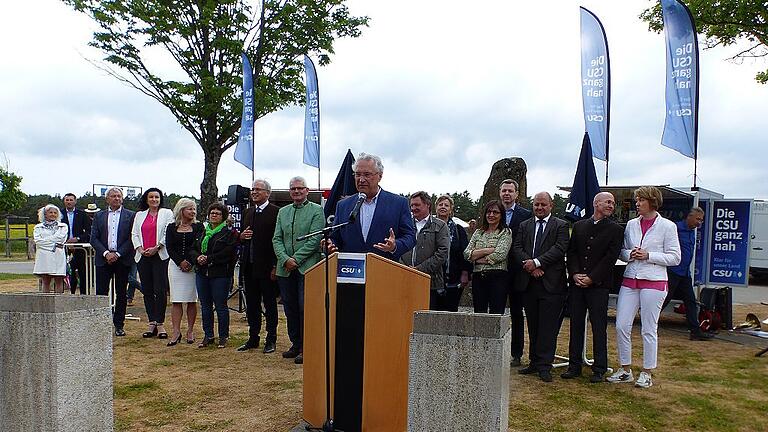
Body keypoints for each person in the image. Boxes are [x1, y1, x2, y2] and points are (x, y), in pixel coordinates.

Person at [608, 186, 681, 389]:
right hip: (630, 280)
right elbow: (621, 252)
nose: (637, 203)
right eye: (636, 200)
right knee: (622, 325)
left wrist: (649, 255)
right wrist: (630, 253)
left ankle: (647, 372)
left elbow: (675, 257)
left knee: (649, 329)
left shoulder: (667, 226)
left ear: (652, 201)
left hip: (655, 282)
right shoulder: (631, 224)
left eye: (640, 200)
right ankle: (625, 369)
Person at [562, 192, 624, 383]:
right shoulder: (580, 226)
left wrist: (592, 278)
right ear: (596, 204)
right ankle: (574, 366)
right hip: (577, 284)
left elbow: (610, 258)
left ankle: (599, 367)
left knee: (599, 327)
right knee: (576, 325)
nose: (611, 205)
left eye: (613, 203)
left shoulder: (615, 229)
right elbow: (571, 253)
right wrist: (574, 274)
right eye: (607, 202)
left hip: (599, 286)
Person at [513, 192, 569, 383]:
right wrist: (530, 266)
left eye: (543, 205)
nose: (539, 208)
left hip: (551, 283)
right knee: (533, 324)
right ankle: (534, 362)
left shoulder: (560, 225)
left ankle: (545, 365)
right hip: (529, 283)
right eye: (536, 204)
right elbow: (517, 248)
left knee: (548, 326)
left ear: (551, 205)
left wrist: (537, 263)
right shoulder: (524, 225)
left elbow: (560, 248)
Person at [272, 176, 325, 364]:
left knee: (305, 309)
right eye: (293, 189)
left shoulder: (317, 210)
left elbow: (314, 240)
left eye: (300, 188)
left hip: (307, 268)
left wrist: (296, 259)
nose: (296, 191)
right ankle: (295, 344)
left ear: (307, 190)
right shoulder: (283, 212)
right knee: (290, 308)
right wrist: (285, 259)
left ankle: (307, 347)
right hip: (285, 269)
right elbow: (276, 238)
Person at [326, 153, 415, 260]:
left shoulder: (398, 203)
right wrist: (330, 245)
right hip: (350, 269)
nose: (361, 179)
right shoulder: (343, 205)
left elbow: (410, 237)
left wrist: (394, 246)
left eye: (367, 175)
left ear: (380, 176)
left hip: (385, 268)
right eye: (357, 174)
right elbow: (336, 238)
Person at [236, 179, 280, 354]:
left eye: (258, 190)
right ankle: (253, 338)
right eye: (252, 189)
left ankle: (271, 339)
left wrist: (276, 266)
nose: (254, 192)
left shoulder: (276, 212)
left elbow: (279, 240)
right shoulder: (248, 212)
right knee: (252, 305)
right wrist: (241, 236)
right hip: (249, 266)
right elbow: (240, 238)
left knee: (270, 305)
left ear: (267, 193)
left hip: (267, 267)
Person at [90, 188, 136, 336]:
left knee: (121, 293)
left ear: (122, 198)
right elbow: (94, 238)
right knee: (101, 293)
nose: (116, 198)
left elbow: (131, 238)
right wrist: (106, 253)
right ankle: (101, 323)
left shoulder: (131, 215)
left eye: (119, 196)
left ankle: (119, 325)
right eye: (113, 196)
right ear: (107, 199)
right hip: (103, 260)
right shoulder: (99, 216)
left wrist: (117, 253)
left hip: (122, 259)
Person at [191, 203, 237, 348]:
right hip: (202, 273)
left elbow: (228, 253)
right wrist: (197, 257)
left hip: (220, 274)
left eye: (217, 213)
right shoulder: (202, 232)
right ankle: (208, 335)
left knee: (220, 305)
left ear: (223, 216)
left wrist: (209, 258)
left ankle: (223, 335)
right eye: (212, 213)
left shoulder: (228, 233)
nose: (214, 215)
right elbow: (193, 249)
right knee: (205, 306)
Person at [131, 188, 174, 340]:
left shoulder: (167, 213)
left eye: (156, 197)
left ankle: (161, 323)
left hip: (160, 255)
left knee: (160, 290)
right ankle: (152, 322)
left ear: (160, 199)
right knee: (147, 290)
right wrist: (141, 249)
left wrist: (157, 247)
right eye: (151, 197)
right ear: (146, 199)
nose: (154, 199)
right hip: (143, 256)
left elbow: (167, 233)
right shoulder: (139, 215)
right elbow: (134, 234)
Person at [664, 207, 713, 341]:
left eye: (701, 220)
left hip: (684, 273)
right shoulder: (675, 228)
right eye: (698, 219)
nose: (699, 223)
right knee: (664, 299)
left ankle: (695, 331)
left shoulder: (692, 231)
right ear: (689, 217)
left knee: (690, 301)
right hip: (673, 271)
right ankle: (649, 323)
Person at [500, 179, 532, 366]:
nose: (507, 194)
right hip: (498, 269)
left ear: (517, 194)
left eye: (510, 191)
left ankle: (516, 353)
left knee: (517, 313)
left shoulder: (526, 215)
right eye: (504, 190)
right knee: (495, 310)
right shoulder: (493, 211)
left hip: (518, 270)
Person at [400, 191, 450, 310]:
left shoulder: (440, 226)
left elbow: (442, 253)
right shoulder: (403, 225)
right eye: (411, 205)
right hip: (405, 280)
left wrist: (419, 269)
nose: (413, 208)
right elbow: (397, 248)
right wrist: (403, 268)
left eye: (417, 205)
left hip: (430, 283)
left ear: (427, 204)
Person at [165, 198, 204, 346]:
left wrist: (189, 261)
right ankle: (176, 331)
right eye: (189, 208)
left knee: (191, 300)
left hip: (192, 266)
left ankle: (190, 330)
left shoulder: (199, 227)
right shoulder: (171, 227)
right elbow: (170, 247)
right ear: (181, 210)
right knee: (176, 300)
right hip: (175, 266)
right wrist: (180, 261)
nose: (193, 211)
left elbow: (198, 245)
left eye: (194, 209)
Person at [464, 200, 512, 314]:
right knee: (479, 313)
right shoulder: (478, 232)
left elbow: (500, 254)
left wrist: (476, 256)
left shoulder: (505, 232)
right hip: (478, 277)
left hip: (498, 277)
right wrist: (488, 250)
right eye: (489, 212)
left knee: (496, 313)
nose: (491, 215)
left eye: (495, 212)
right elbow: (466, 253)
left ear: (501, 215)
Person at [434, 194, 471, 311]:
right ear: (436, 208)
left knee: (451, 313)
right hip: (432, 278)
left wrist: (465, 273)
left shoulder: (458, 230)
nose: (443, 207)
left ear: (451, 209)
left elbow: (465, 252)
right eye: (440, 204)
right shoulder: (428, 227)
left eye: (446, 205)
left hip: (453, 279)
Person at [33, 204, 69, 293]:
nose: (53, 214)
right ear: (45, 214)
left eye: (55, 213)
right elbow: (38, 241)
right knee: (45, 280)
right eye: (50, 212)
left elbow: (61, 239)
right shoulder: (38, 227)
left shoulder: (63, 226)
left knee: (59, 279)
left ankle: (59, 302)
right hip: (44, 256)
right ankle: (45, 303)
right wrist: (53, 244)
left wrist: (46, 241)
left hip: (58, 255)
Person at [60, 193, 91, 294]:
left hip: (79, 248)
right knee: (67, 271)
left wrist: (77, 239)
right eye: (67, 200)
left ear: (75, 201)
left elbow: (88, 232)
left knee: (82, 272)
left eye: (71, 200)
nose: (69, 202)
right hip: (63, 247)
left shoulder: (82, 214)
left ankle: (83, 294)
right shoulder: (59, 214)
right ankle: (68, 293)